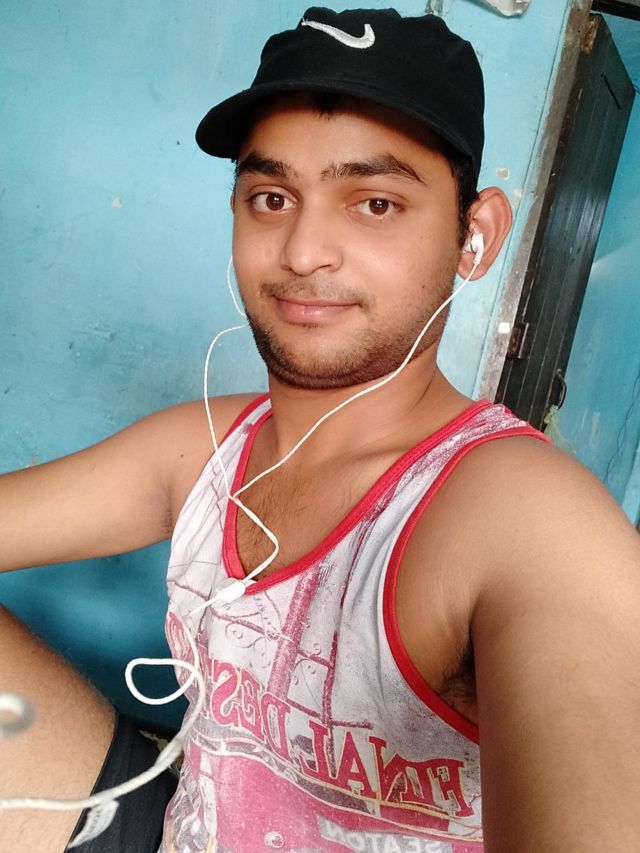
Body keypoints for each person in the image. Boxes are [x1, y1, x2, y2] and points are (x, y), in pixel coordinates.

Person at [1, 7, 640, 853]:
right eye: (271, 198)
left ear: (475, 235)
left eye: (375, 203)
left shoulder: (524, 519)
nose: (304, 251)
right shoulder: (202, 448)